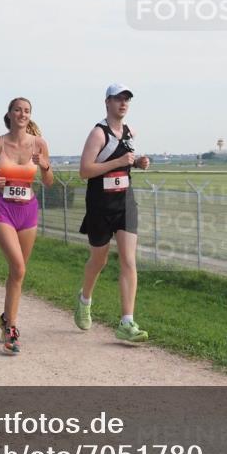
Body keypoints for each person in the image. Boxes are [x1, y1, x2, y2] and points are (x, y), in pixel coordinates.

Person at [0, 98, 54, 354]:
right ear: (9, 114)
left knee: (17, 272)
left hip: (28, 210)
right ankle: (12, 329)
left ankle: (6, 317)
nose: (22, 114)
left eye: (27, 111)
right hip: (4, 209)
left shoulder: (39, 144)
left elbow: (49, 181)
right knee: (18, 268)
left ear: (30, 116)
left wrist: (45, 167)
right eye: (18, 110)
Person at [75, 84, 151, 343]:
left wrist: (139, 163)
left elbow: (126, 162)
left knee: (129, 261)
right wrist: (118, 162)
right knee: (99, 260)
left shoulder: (130, 131)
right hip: (100, 205)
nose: (123, 103)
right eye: (118, 98)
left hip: (125, 203)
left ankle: (127, 322)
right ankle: (84, 300)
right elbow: (84, 171)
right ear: (107, 102)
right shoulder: (98, 133)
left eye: (127, 99)